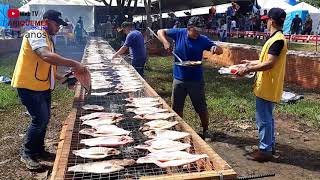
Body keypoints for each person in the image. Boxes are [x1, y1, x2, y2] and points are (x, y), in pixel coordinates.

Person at [11, 10, 87, 170]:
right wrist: (74, 63)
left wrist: (63, 78)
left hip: (42, 86)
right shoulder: (35, 33)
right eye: (56, 23)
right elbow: (45, 56)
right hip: (28, 85)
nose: (59, 27)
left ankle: (39, 150)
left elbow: (48, 65)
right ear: (46, 21)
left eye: (60, 24)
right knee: (39, 119)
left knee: (44, 120)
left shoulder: (48, 38)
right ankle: (27, 153)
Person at [157, 16, 223, 141]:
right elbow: (160, 31)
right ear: (188, 28)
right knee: (177, 107)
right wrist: (165, 42)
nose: (198, 33)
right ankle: (178, 130)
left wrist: (215, 49)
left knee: (201, 107)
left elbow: (220, 50)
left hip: (196, 79)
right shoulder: (179, 33)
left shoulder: (202, 40)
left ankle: (206, 130)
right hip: (179, 78)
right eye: (196, 30)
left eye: (200, 30)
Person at [237, 8, 287, 162]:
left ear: (271, 20)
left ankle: (265, 150)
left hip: (268, 85)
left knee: (263, 119)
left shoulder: (277, 39)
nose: (265, 22)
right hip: (267, 85)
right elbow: (267, 59)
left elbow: (270, 63)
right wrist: (250, 63)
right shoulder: (275, 38)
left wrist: (248, 69)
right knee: (267, 118)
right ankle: (269, 147)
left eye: (266, 20)